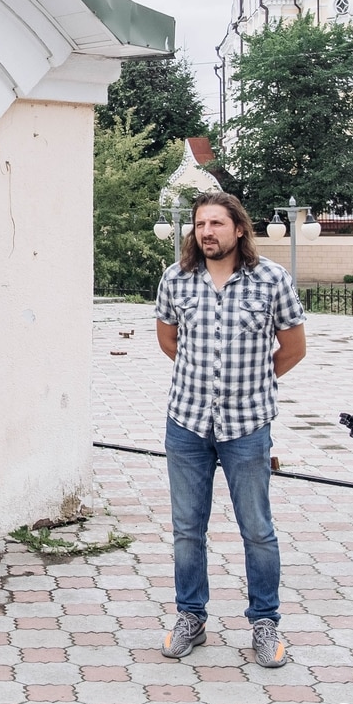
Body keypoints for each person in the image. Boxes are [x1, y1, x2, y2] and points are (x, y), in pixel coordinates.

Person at [153, 192, 307, 666]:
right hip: (187, 424)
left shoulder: (271, 280)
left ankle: (265, 623)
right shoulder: (176, 279)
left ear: (239, 228)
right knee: (186, 530)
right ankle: (190, 617)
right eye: (200, 224)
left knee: (257, 530)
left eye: (216, 223)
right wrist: (205, 380)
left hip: (247, 426)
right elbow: (167, 338)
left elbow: (294, 347)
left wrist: (252, 381)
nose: (206, 232)